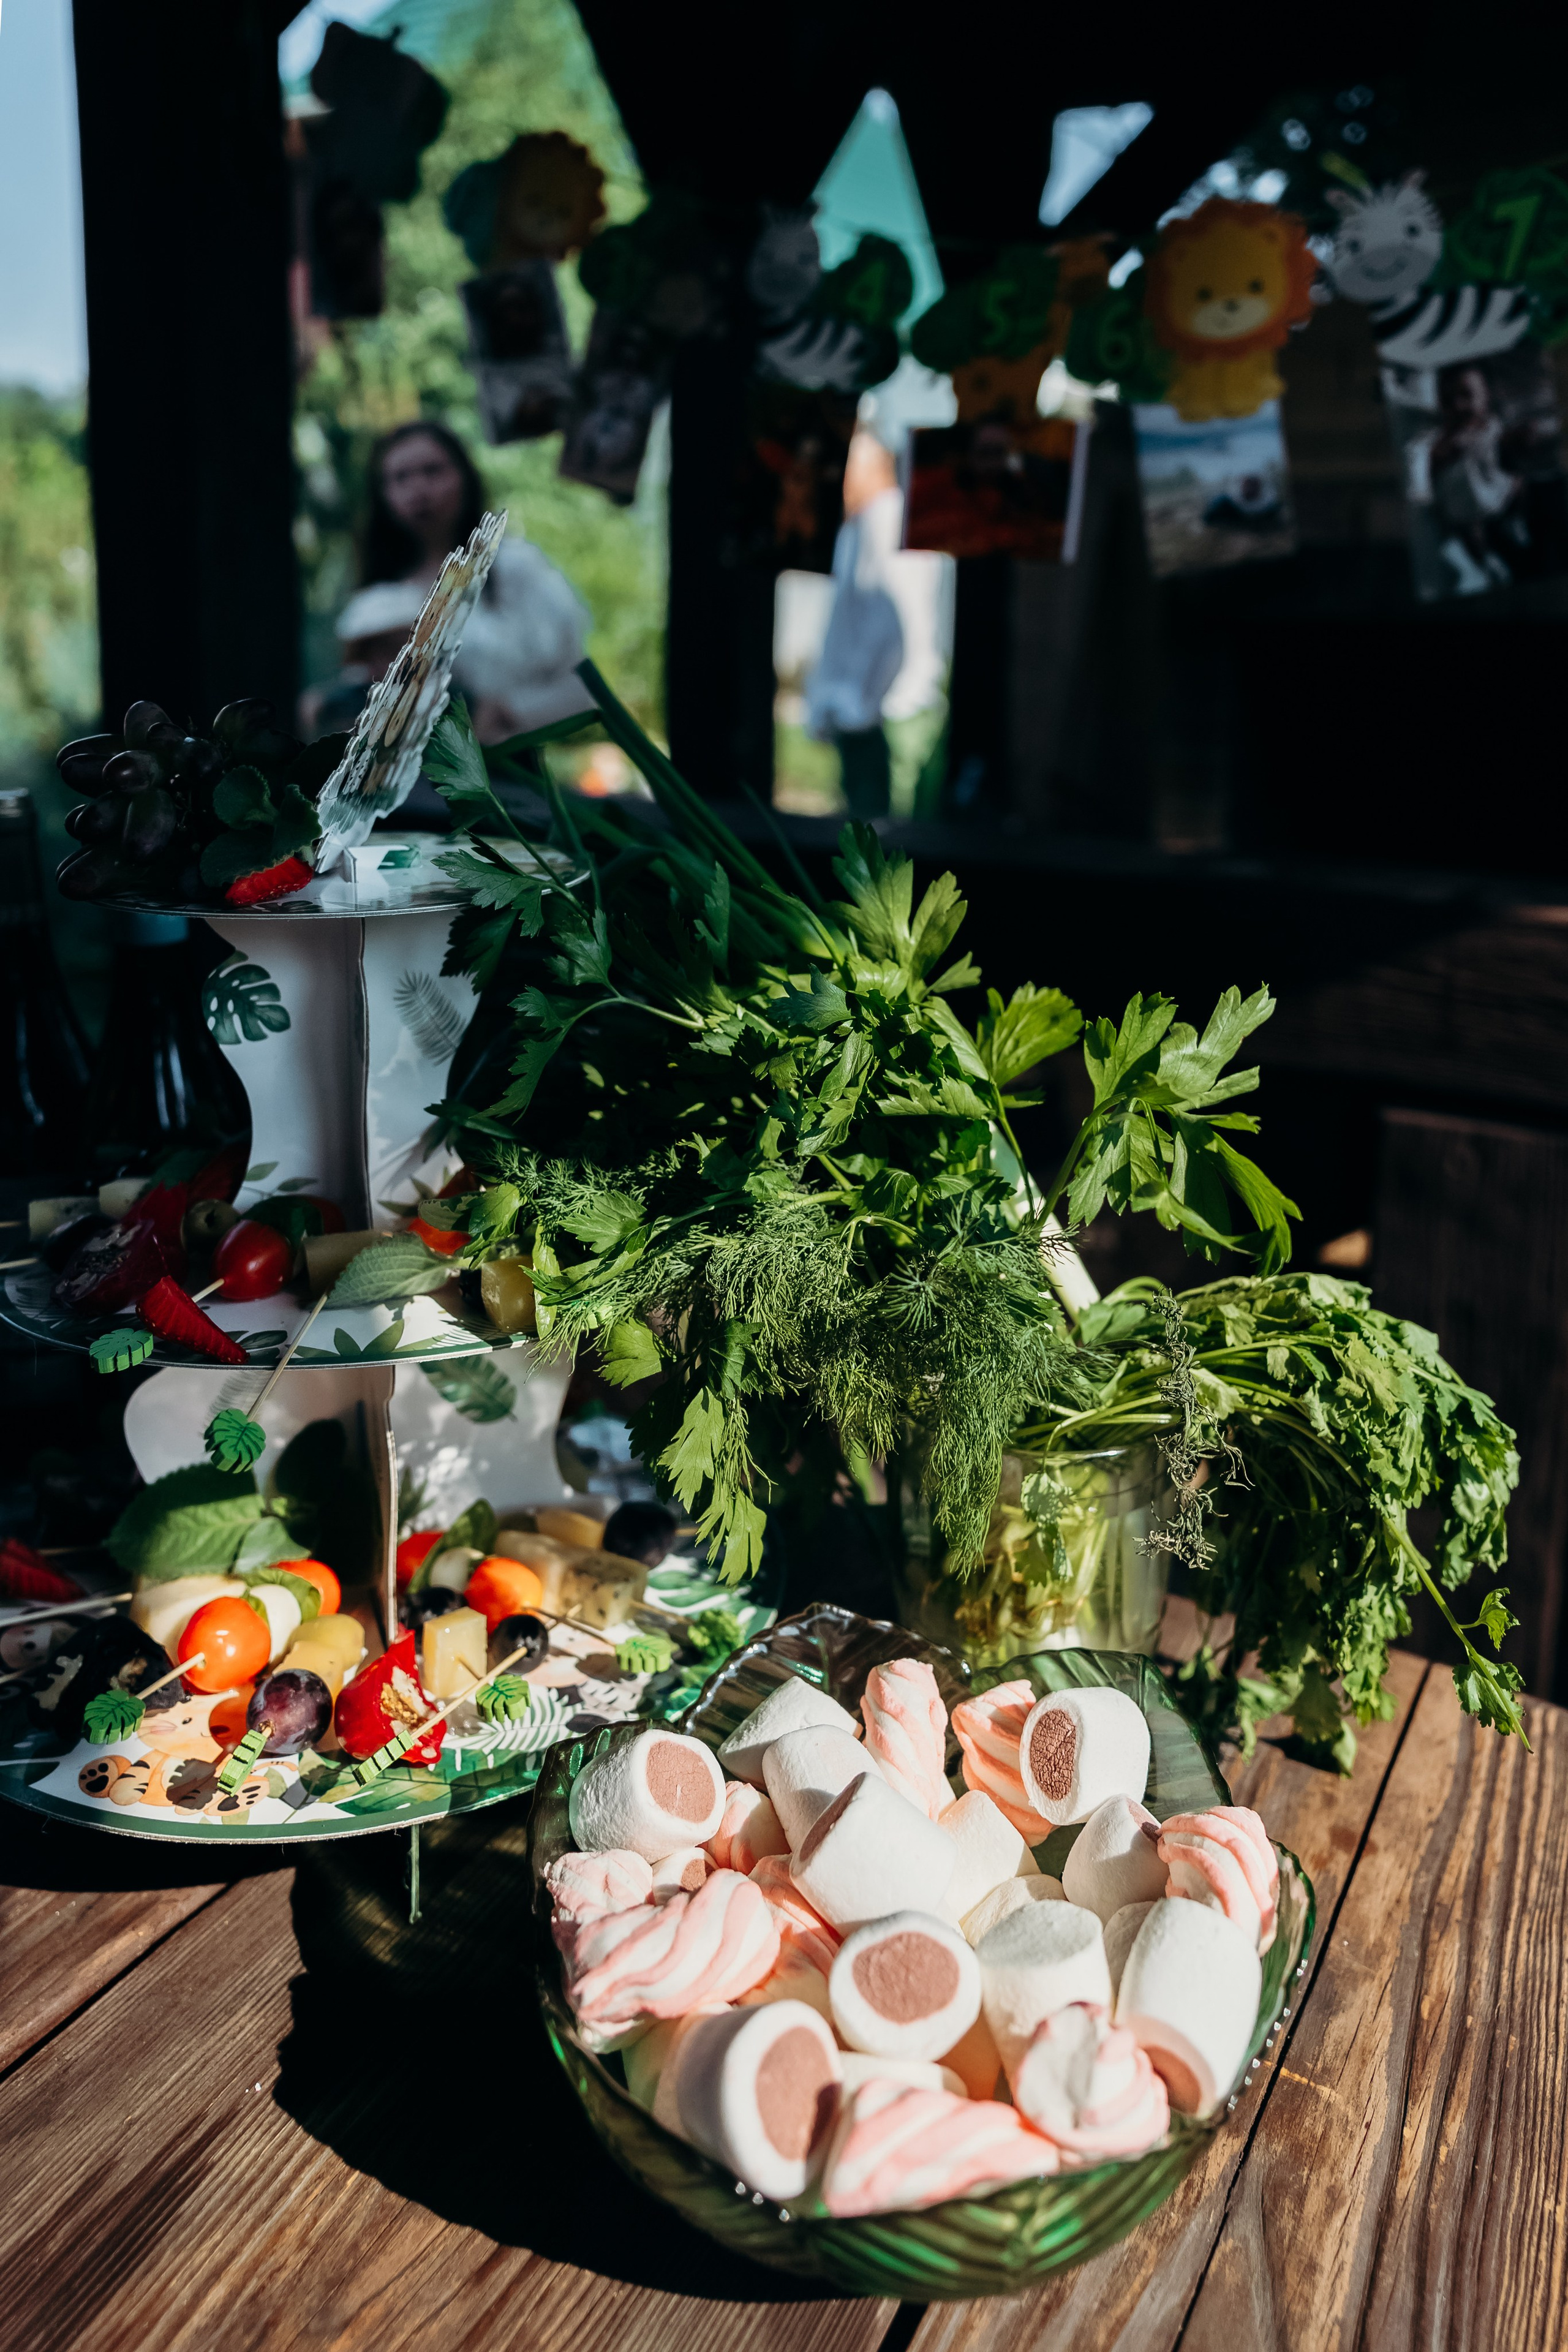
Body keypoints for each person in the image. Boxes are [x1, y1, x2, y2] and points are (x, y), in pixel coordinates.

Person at [309, 420, 595, 743]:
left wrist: (508, 713)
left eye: (432, 471)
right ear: (383, 494)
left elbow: (579, 687)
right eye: (400, 478)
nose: (418, 491)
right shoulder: (376, 602)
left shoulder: (516, 568)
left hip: (508, 771)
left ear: (465, 477)